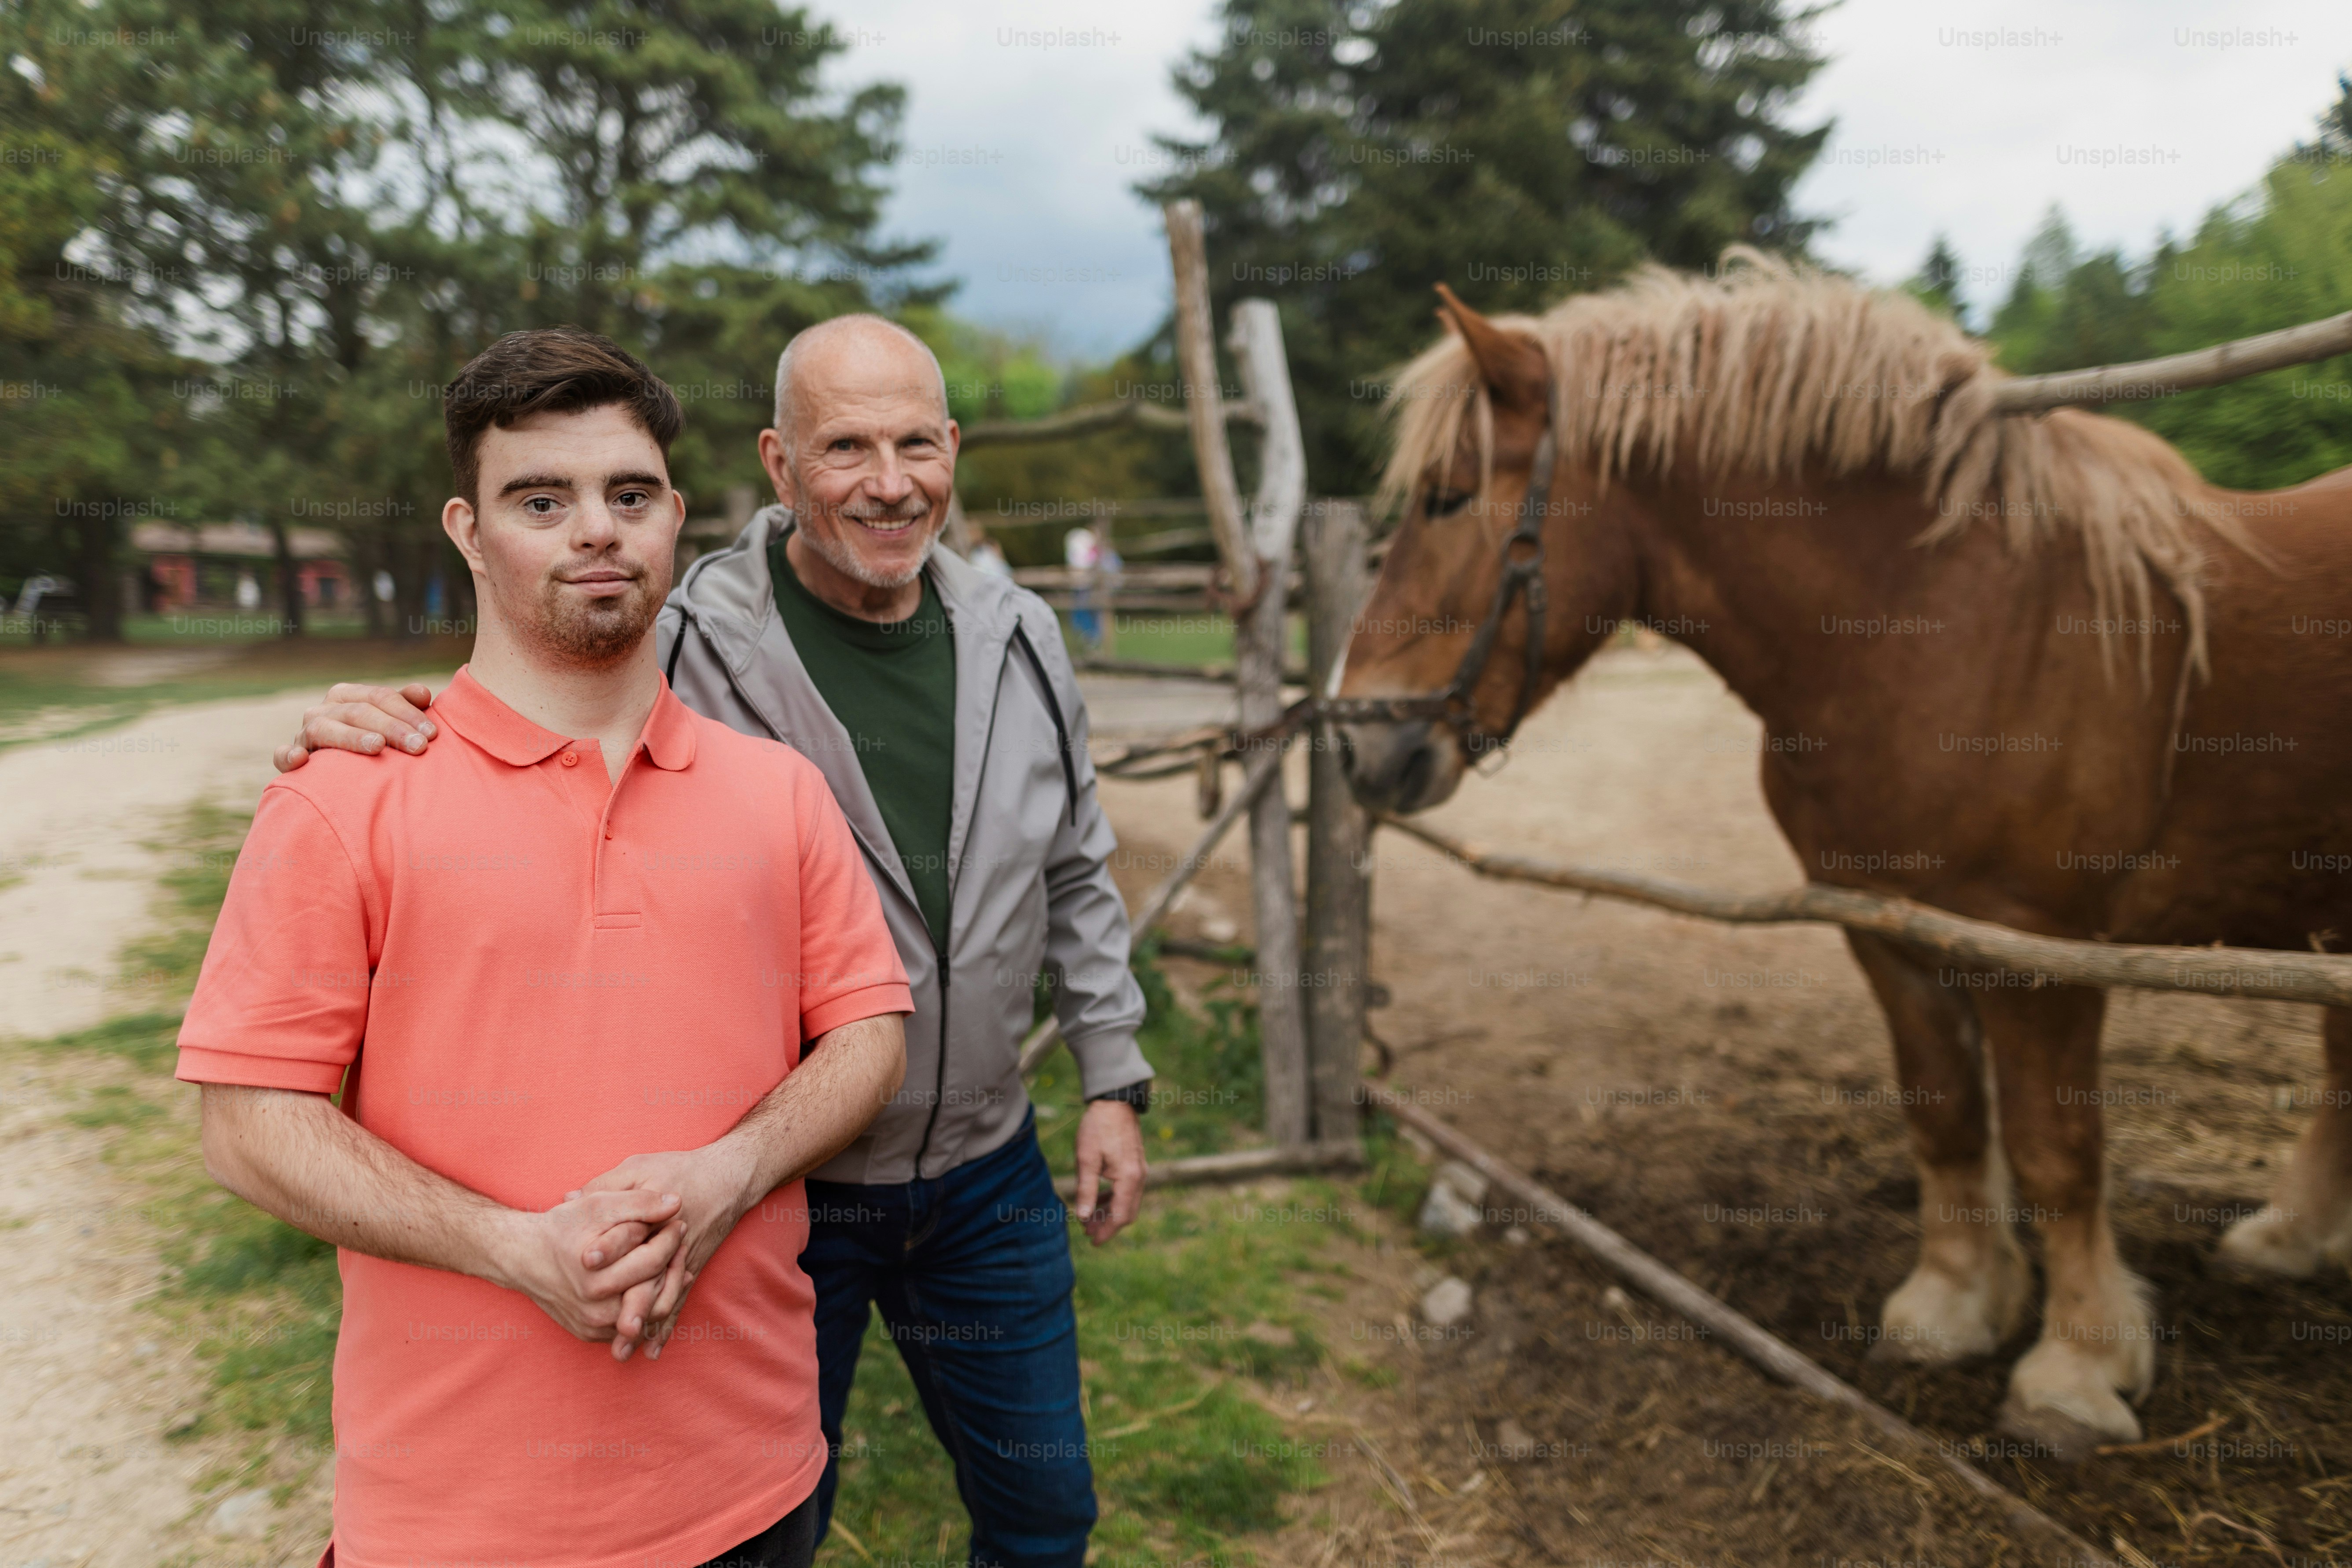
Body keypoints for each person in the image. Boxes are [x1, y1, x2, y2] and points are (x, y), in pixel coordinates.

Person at [276, 315, 1154, 1568]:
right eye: (845, 446)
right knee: (773, 1494)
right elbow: (551, 659)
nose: (890, 481)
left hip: (984, 1165)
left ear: (954, 448)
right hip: (783, 1187)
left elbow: (1074, 860)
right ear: (779, 467)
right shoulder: (690, 630)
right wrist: (382, 716)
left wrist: (1112, 1078)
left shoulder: (1020, 636)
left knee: (1044, 1499)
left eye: (916, 442)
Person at [183, 328, 914, 1568]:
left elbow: (869, 1031)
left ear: (675, 516)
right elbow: (248, 1122)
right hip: (460, 1519)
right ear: (468, 530)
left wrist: (727, 1173)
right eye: (543, 499)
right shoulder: (349, 795)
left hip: (755, 1481)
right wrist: (516, 1250)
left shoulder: (778, 793)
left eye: (628, 495)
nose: (596, 530)